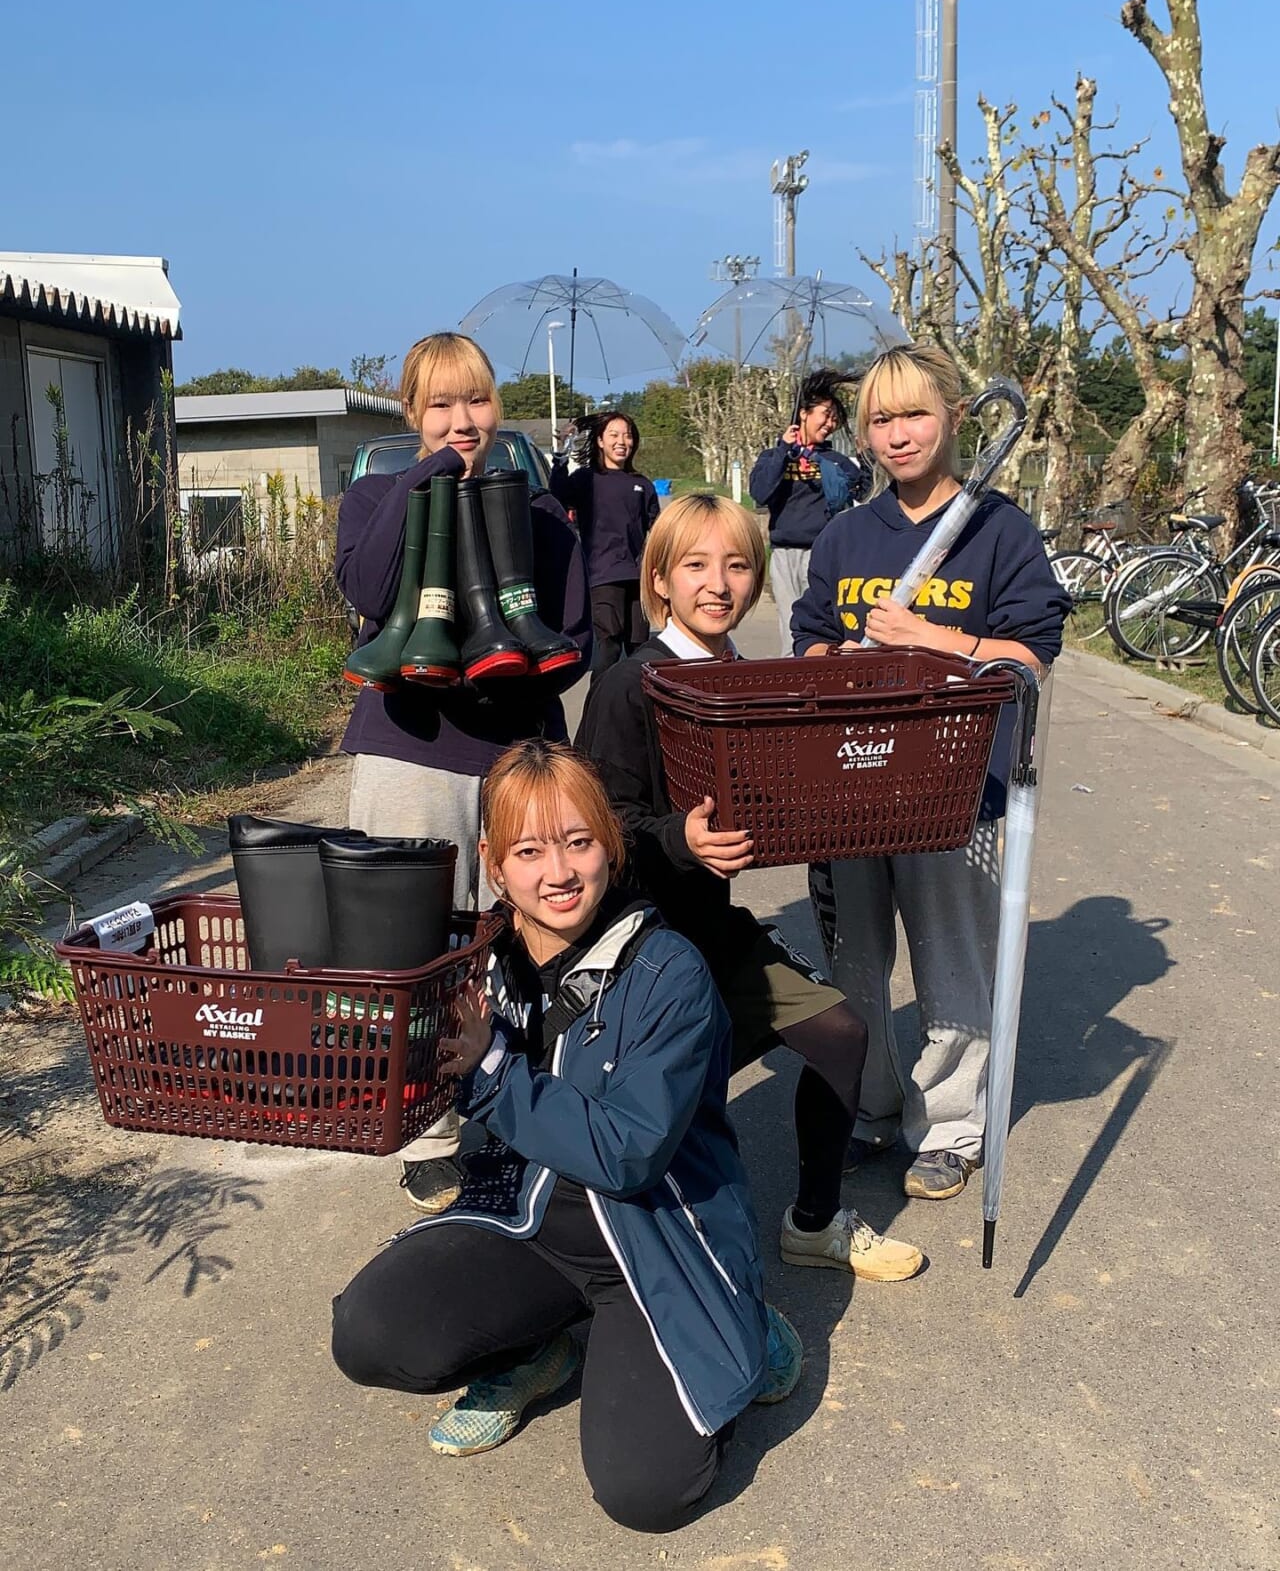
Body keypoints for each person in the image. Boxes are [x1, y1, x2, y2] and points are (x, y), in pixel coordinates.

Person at [331, 740, 795, 1534]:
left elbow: (628, 1152)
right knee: (369, 1333)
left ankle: (739, 1319)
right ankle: (540, 1347)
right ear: (493, 860)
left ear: (611, 845)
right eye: (529, 849)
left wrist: (493, 1073)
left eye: (579, 842)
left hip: (654, 1238)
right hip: (529, 1218)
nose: (559, 872)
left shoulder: (667, 972)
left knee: (646, 1493)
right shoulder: (480, 957)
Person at [575, 493, 923, 1282]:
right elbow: (594, 830)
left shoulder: (749, 678)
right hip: (636, 943)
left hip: (713, 930)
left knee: (840, 1032)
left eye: (737, 564)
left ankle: (815, 1221)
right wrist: (682, 839)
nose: (718, 583)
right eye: (695, 564)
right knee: (670, 1108)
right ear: (658, 580)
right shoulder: (630, 684)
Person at [791, 343, 1069, 1200]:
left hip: (957, 790)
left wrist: (936, 640)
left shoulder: (1001, 530)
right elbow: (807, 633)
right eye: (881, 419)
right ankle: (870, 1106)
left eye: (915, 414)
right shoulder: (847, 533)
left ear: (954, 415)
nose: (898, 434)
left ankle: (950, 1122)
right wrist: (832, 653)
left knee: (953, 962)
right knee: (858, 961)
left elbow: (1030, 658)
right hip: (856, 786)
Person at [335, 331, 592, 1214]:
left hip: (516, 755)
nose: (460, 420)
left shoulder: (538, 507)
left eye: (476, 400)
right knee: (418, 943)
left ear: (498, 406)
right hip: (408, 748)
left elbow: (572, 633)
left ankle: (519, 1108)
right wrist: (421, 481)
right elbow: (367, 592)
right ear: (411, 413)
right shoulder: (376, 490)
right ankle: (431, 1129)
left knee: (524, 940)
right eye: (439, 404)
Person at [749, 369, 872, 653]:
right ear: (803, 413)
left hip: (822, 553)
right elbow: (760, 492)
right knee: (788, 623)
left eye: (833, 419)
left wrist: (865, 458)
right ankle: (791, 680)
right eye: (824, 415)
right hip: (783, 554)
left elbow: (864, 491)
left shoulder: (836, 461)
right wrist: (783, 451)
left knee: (821, 624)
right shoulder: (774, 457)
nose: (830, 424)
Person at [550, 410, 660, 678]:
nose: (622, 441)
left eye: (628, 435)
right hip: (602, 578)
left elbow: (659, 532)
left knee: (639, 652)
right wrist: (562, 455)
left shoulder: (642, 485)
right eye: (614, 435)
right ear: (600, 441)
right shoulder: (585, 479)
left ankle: (638, 712)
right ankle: (597, 710)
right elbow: (558, 495)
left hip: (637, 579)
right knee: (608, 648)